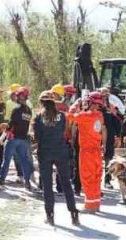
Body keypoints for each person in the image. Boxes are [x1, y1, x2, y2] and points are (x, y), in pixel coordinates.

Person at [33, 90, 79, 226]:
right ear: (54, 101)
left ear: (42, 102)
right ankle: (74, 213)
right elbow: (64, 132)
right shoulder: (62, 116)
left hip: (45, 153)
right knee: (66, 183)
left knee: (47, 186)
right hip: (61, 152)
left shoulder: (38, 117)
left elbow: (37, 137)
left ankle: (50, 215)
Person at [69, 92, 107, 212]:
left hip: (87, 151)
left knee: (87, 177)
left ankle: (89, 205)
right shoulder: (99, 115)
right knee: (96, 177)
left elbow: (69, 116)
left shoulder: (85, 116)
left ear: (91, 103)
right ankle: (96, 203)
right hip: (96, 150)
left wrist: (75, 105)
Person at [0, 87, 33, 189]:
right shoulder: (28, 111)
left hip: (13, 138)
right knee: (24, 161)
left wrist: (5, 127)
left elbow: (12, 124)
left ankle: (1, 180)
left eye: (18, 95)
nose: (17, 97)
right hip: (23, 139)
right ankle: (27, 182)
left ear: (23, 97)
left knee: (7, 160)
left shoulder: (16, 110)